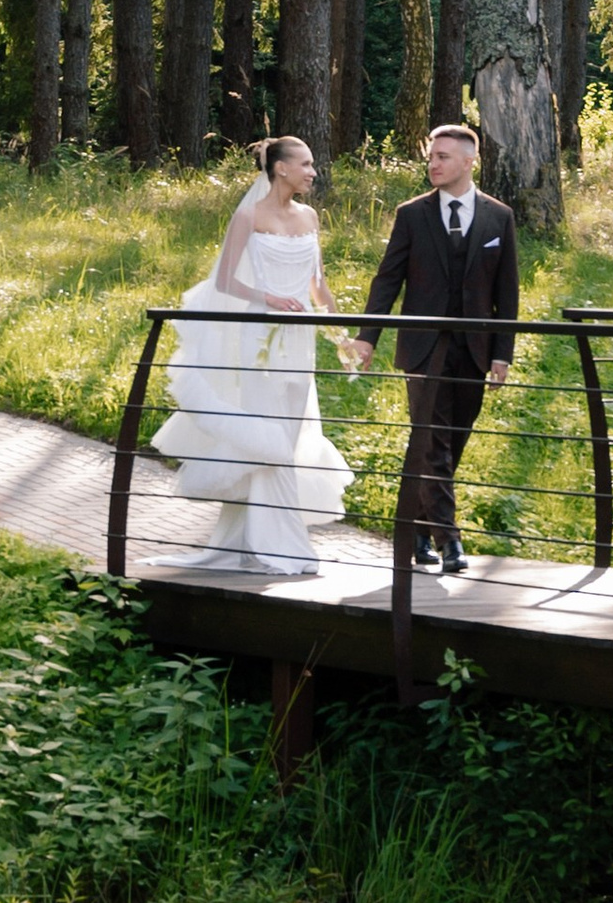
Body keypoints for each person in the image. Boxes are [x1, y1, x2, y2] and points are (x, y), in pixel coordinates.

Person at [153, 135, 353, 573]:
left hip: (300, 343)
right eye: (305, 164)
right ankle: (281, 547)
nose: (312, 172)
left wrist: (342, 337)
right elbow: (225, 281)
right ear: (280, 168)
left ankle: (245, 541)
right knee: (269, 440)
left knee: (289, 431)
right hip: (259, 336)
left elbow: (319, 287)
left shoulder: (311, 217)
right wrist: (270, 297)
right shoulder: (249, 215)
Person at [337, 119, 517, 573]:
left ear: (469, 161)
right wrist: (367, 336)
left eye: (442, 157)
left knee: (450, 443)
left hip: (474, 350)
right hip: (423, 348)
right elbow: (387, 279)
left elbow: (507, 292)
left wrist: (502, 352)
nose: (432, 164)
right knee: (432, 440)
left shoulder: (499, 216)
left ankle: (416, 529)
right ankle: (449, 539)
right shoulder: (412, 213)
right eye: (431, 156)